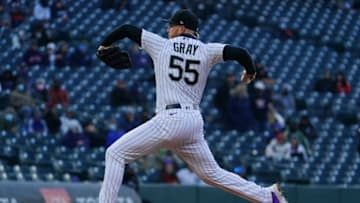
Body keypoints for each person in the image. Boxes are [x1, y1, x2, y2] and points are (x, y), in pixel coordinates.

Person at [97, 9, 287, 203]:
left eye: (170, 26)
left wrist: (104, 45)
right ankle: (266, 196)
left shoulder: (162, 45)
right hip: (193, 122)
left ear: (180, 27)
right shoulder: (207, 50)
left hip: (170, 119)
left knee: (115, 154)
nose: (167, 29)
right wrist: (250, 71)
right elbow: (241, 53)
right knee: (212, 174)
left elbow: (127, 29)